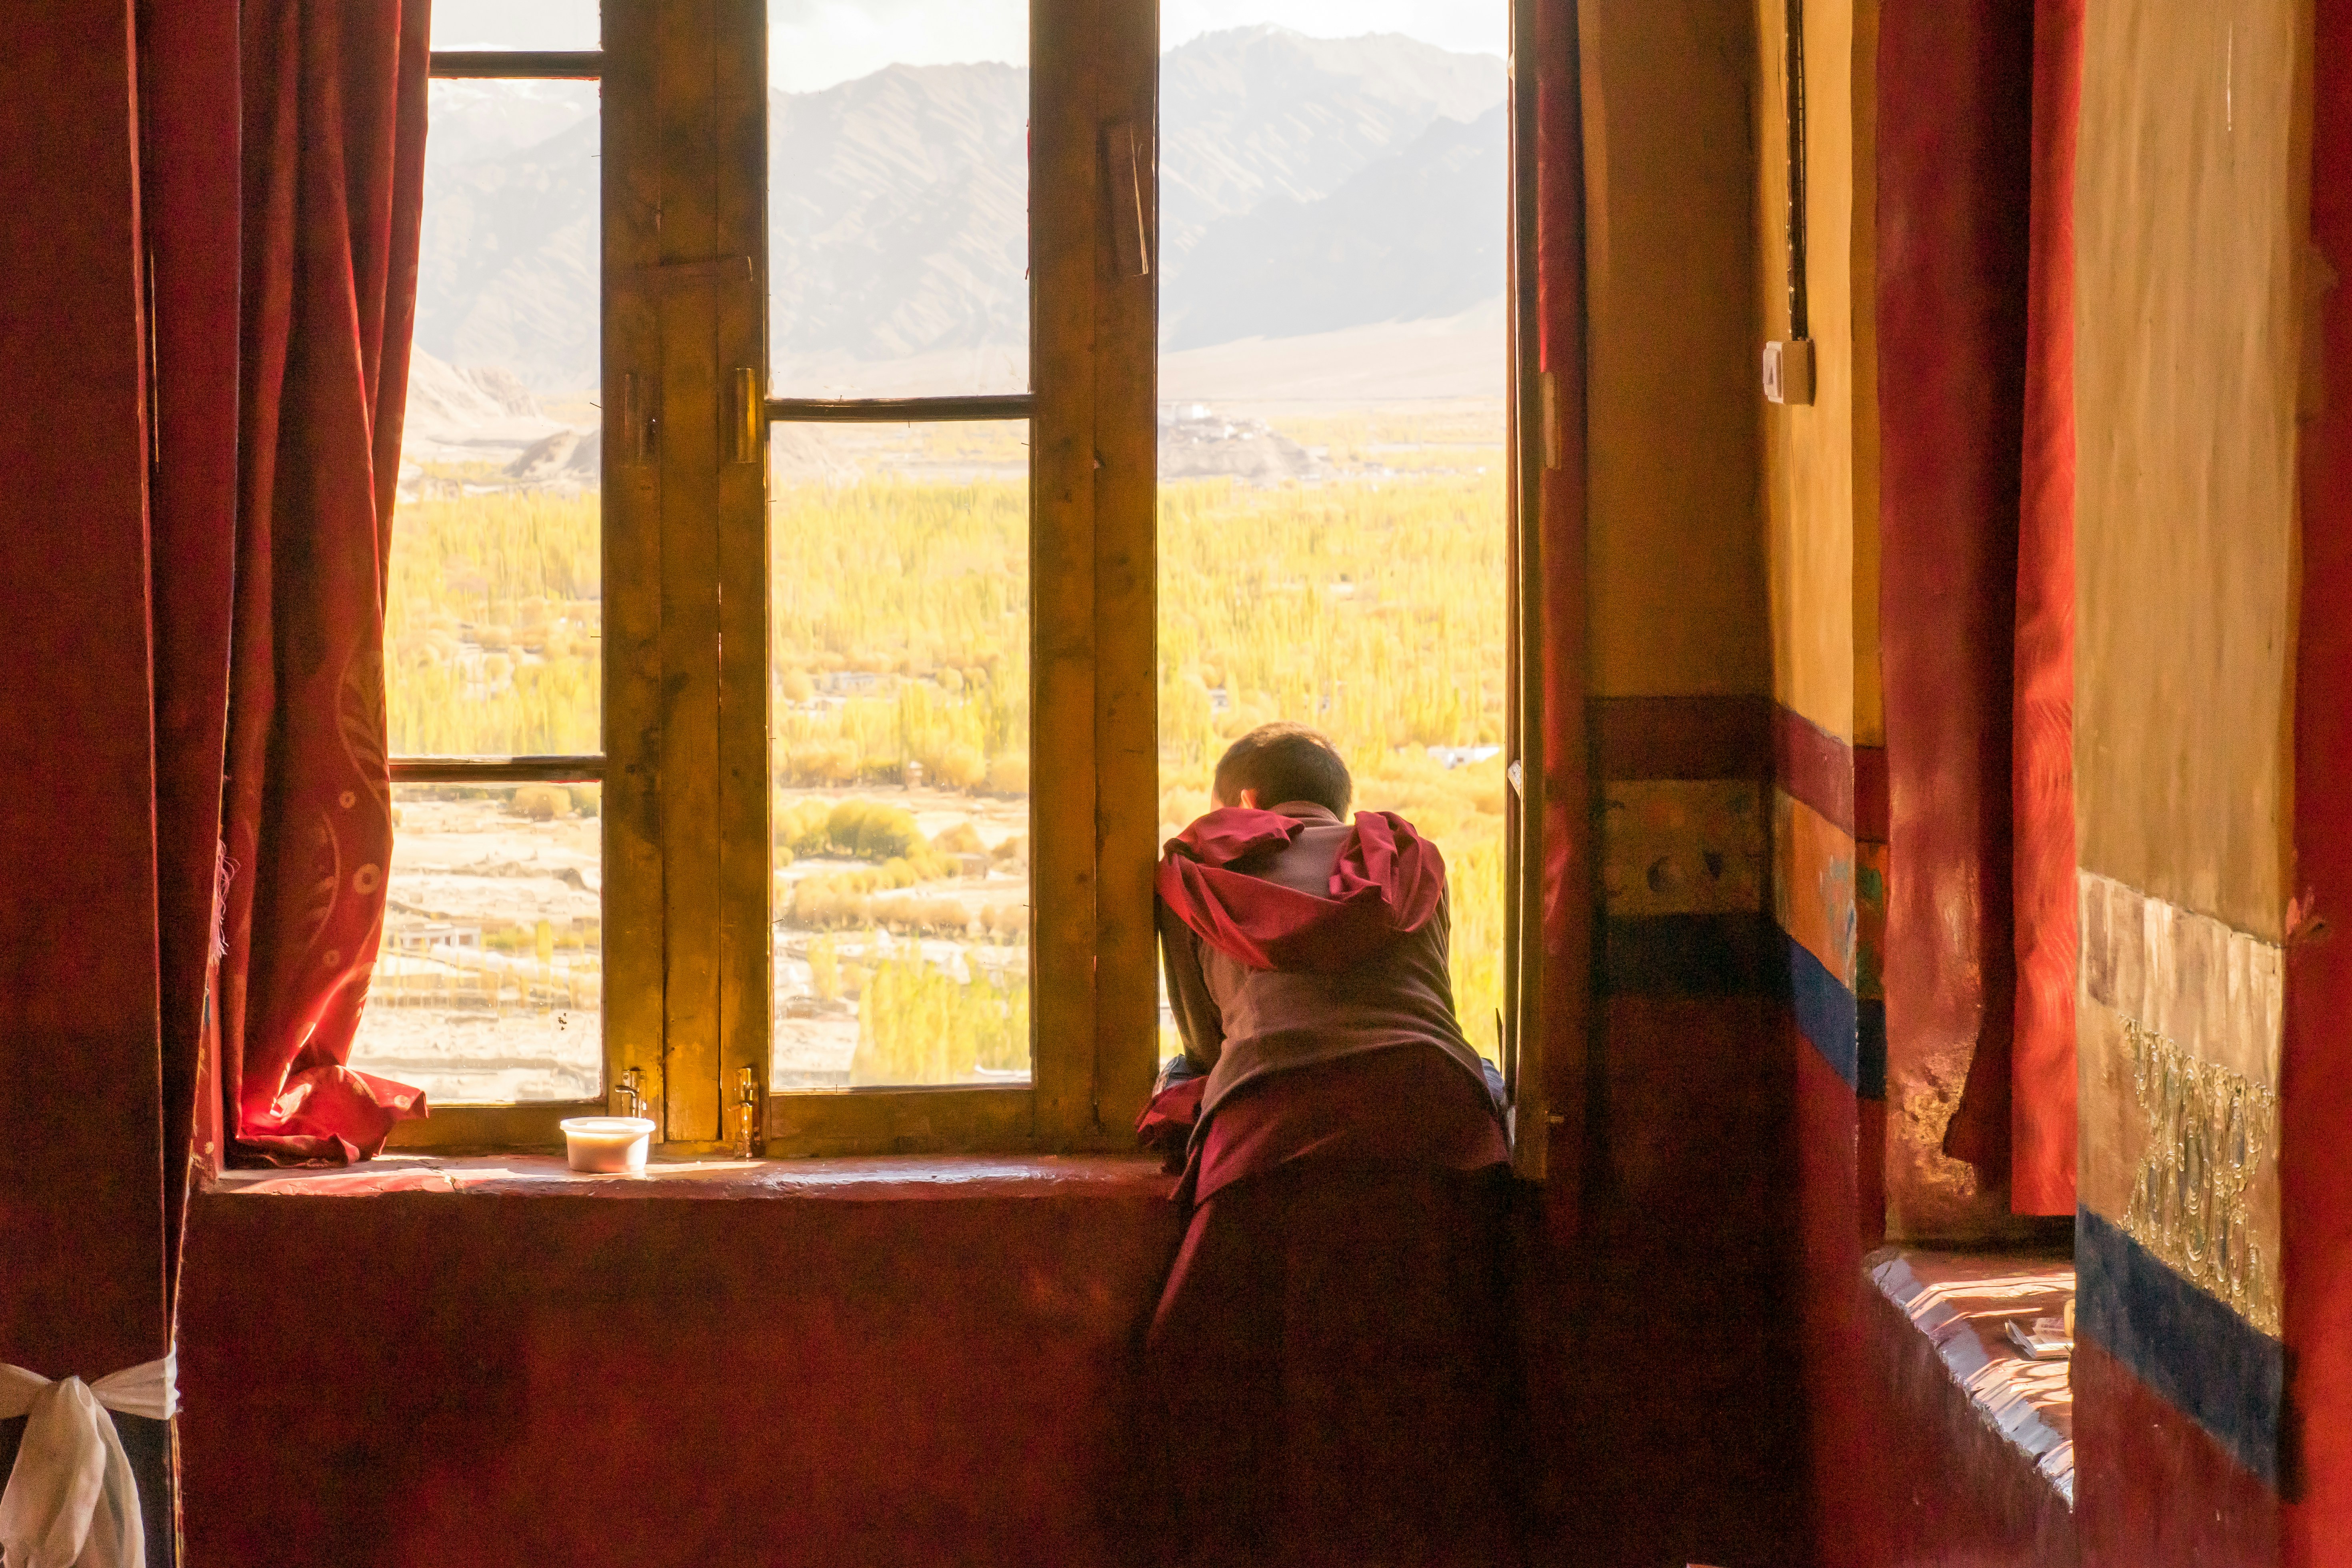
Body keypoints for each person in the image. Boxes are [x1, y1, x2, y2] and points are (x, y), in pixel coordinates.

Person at [1139, 722, 1522, 1568]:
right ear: (1336, 802)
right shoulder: (1406, 860)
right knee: (1433, 1400)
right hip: (1437, 1121)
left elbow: (1207, 1049)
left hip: (1275, 1129)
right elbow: (1432, 1003)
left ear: (1241, 803)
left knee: (1200, 1376)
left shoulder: (1208, 872)